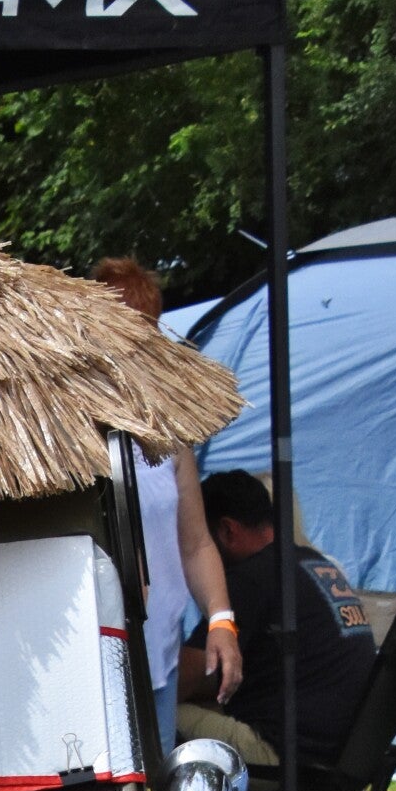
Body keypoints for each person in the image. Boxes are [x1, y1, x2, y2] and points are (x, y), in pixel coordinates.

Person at [93, 259, 242, 750]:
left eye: (142, 334)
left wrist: (221, 620)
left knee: (158, 787)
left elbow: (196, 544)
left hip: (160, 659)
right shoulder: (69, 429)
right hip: (95, 663)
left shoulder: (168, 433)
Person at [177, 467, 378, 771]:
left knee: (154, 714)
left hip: (288, 757)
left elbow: (184, 678)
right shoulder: (312, 563)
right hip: (346, 755)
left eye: (201, 541)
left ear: (228, 531)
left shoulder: (251, 579)